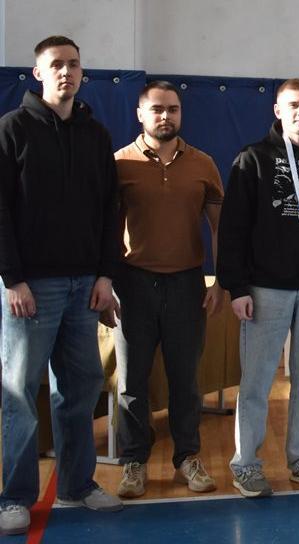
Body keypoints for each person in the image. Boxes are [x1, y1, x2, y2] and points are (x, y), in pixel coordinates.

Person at [0, 35, 122, 535]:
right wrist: (13, 279)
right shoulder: (12, 129)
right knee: (19, 393)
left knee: (79, 390)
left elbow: (111, 209)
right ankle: (14, 497)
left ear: (81, 72)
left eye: (73, 64)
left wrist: (106, 275)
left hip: (84, 287)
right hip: (31, 288)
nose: (66, 72)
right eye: (56, 65)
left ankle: (77, 484)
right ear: (38, 73)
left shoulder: (95, 134)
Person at [218, 78, 299, 497]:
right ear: (277, 110)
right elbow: (233, 228)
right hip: (265, 289)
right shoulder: (252, 158)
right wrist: (237, 287)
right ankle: (246, 464)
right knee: (256, 383)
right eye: (293, 105)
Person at [110, 81, 223, 498]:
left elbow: (219, 228)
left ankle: (187, 457)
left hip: (186, 285)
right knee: (132, 383)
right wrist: (106, 282)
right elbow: (106, 230)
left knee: (185, 380)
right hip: (133, 284)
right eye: (157, 109)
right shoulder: (119, 163)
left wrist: (222, 280)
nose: (165, 116)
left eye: (172, 109)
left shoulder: (203, 164)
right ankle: (134, 462)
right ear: (140, 114)